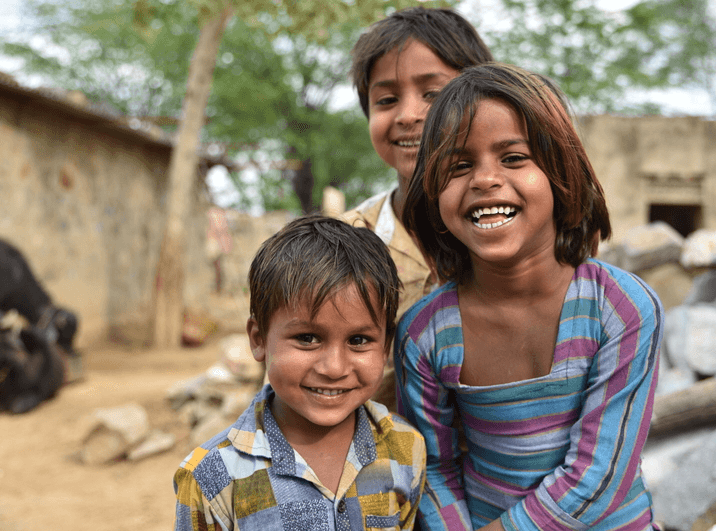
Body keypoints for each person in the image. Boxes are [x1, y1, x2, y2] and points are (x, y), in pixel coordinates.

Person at [397, 63, 664, 531]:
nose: (485, 179)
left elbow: (600, 476)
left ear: (562, 174)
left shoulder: (622, 308)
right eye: (459, 166)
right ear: (434, 196)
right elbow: (433, 469)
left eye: (514, 158)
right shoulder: (424, 334)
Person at [173, 215, 426, 531]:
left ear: (386, 345)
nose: (334, 368)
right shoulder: (212, 476)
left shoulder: (405, 448)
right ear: (259, 339)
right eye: (307, 338)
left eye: (359, 340)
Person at [340, 6, 494, 410]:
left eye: (434, 94)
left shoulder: (509, 229)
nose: (409, 115)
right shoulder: (342, 244)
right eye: (387, 99)